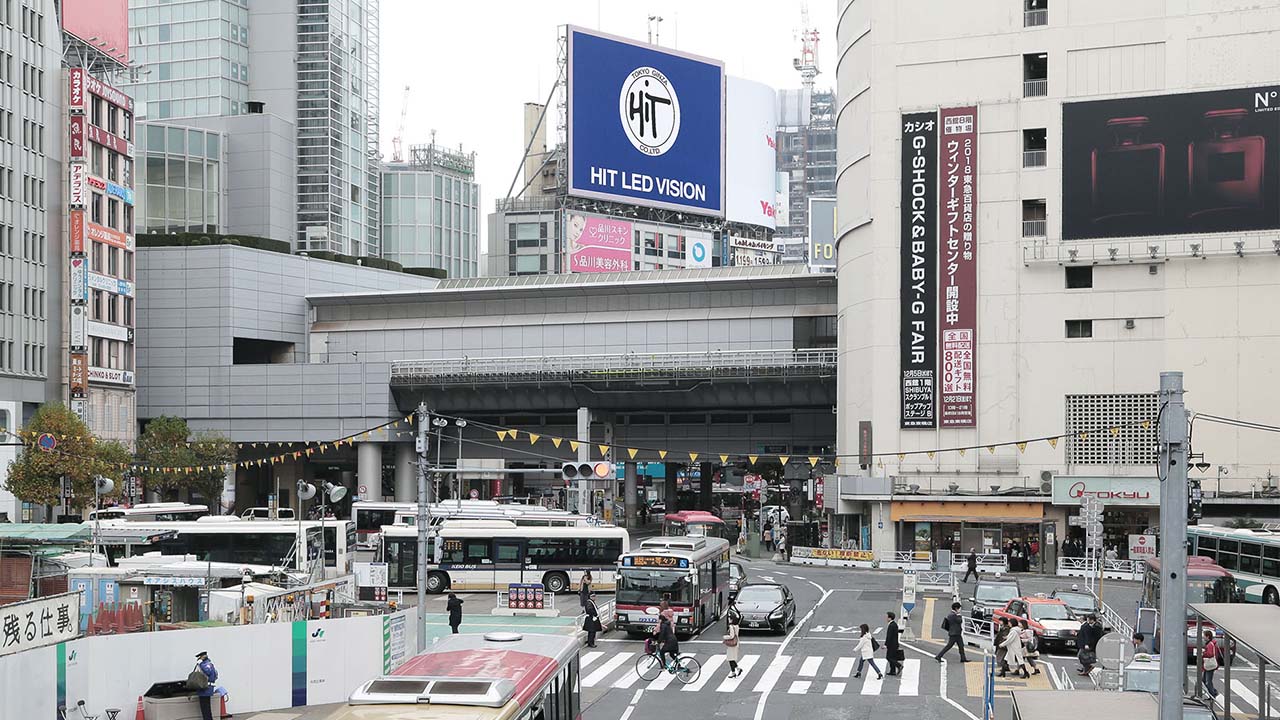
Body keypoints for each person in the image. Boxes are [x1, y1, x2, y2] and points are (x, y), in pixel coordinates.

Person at [193, 651, 228, 720]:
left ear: (203, 657)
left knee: (205, 708)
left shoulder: (205, 664)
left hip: (204, 689)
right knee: (207, 708)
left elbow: (207, 672)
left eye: (200, 657)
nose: (199, 658)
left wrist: (200, 665)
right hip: (207, 688)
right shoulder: (210, 664)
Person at [724, 602, 743, 677]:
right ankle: (736, 670)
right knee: (732, 658)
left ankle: (735, 671)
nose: (729, 620)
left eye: (729, 618)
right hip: (736, 643)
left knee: (730, 658)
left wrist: (725, 637)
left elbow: (731, 636)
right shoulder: (736, 626)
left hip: (732, 644)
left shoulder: (731, 627)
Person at [1201, 630, 1221, 699]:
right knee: (1204, 680)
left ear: (1207, 636)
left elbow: (1210, 654)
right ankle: (1213, 692)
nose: (1203, 637)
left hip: (1210, 665)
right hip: (1209, 665)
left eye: (1204, 636)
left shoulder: (1210, 644)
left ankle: (1212, 694)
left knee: (1207, 681)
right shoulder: (1211, 643)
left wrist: (1203, 653)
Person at [884, 611, 902, 676]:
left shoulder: (891, 626)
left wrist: (885, 645)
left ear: (890, 618)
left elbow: (889, 636)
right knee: (892, 657)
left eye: (887, 617)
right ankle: (892, 671)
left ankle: (899, 665)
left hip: (892, 645)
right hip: (894, 644)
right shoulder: (894, 624)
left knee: (889, 657)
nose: (886, 618)